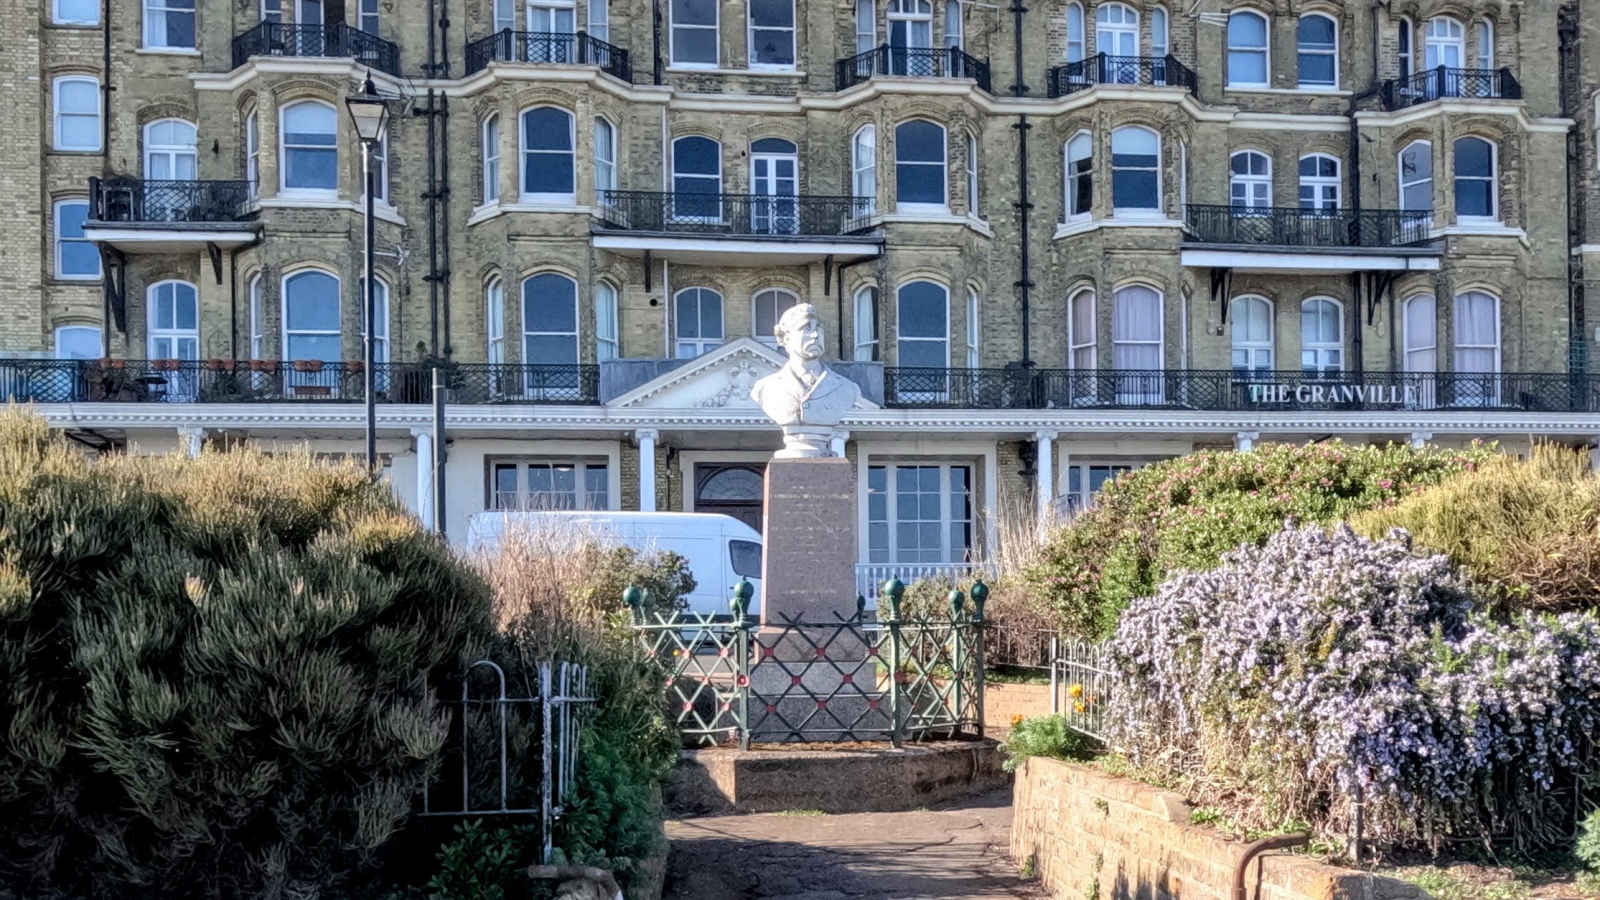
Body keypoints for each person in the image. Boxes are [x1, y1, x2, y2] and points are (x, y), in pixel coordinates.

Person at [750, 302, 861, 458]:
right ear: (785, 338)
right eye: (806, 328)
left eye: (818, 328)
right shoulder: (765, 388)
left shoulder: (847, 389)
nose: (815, 335)